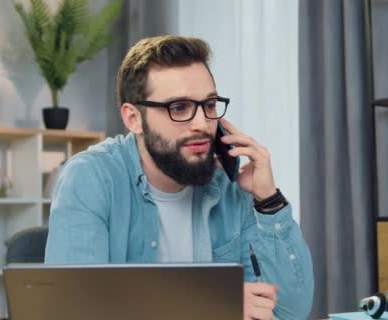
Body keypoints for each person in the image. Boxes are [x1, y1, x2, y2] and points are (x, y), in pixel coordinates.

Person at [45, 35, 313, 320]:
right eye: (179, 108)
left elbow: (289, 313)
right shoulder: (91, 178)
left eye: (209, 105)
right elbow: (73, 310)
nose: (201, 124)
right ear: (133, 118)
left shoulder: (229, 183)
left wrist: (268, 200)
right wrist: (212, 305)